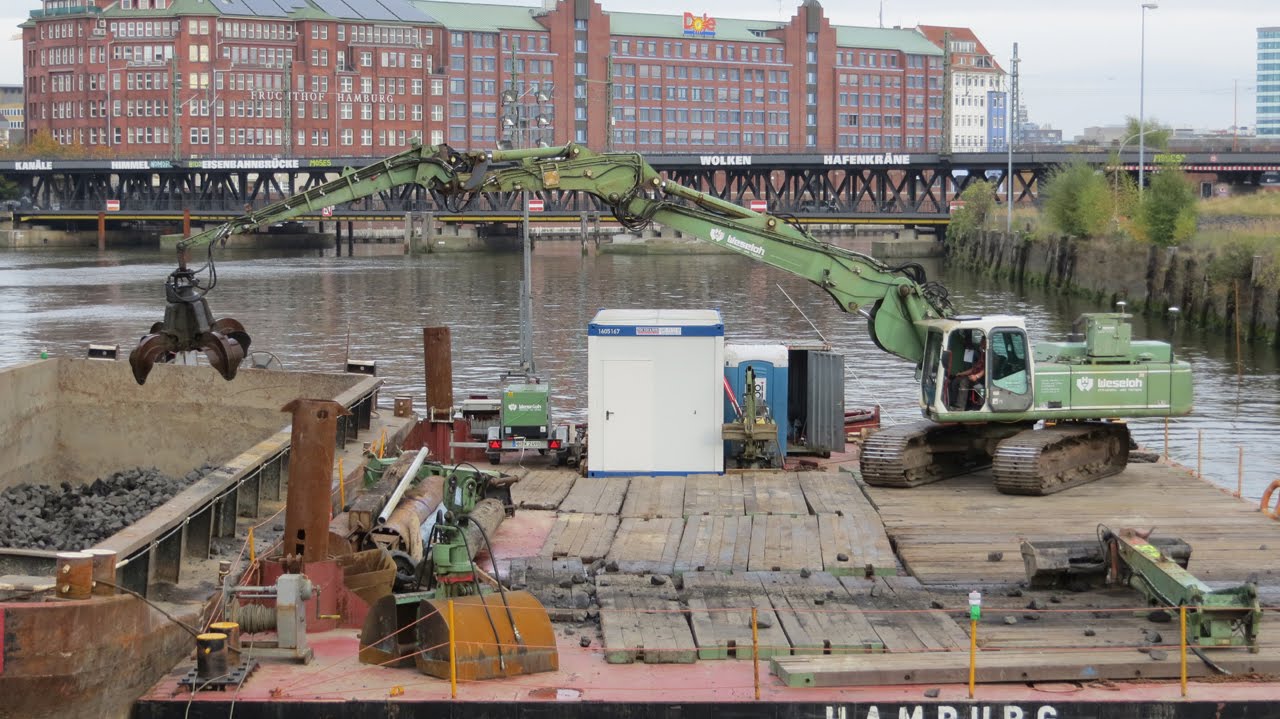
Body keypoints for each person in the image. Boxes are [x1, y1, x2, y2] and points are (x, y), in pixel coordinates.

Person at [950, 336, 986, 409]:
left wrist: (976, 376)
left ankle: (960, 408)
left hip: (981, 380)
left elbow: (986, 370)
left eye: (983, 341)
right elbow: (973, 369)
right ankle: (953, 403)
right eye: (981, 341)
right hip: (974, 377)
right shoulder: (982, 354)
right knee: (956, 380)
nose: (981, 343)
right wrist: (961, 374)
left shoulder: (988, 355)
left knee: (964, 381)